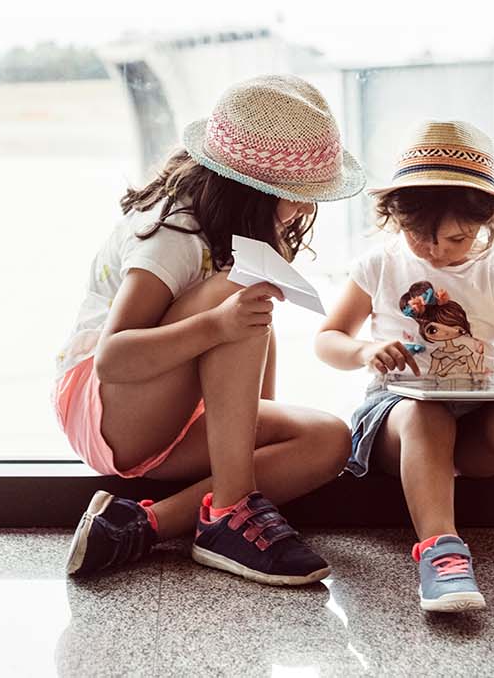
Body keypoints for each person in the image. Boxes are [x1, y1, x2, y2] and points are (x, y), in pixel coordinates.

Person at [56, 75, 365, 585]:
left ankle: (140, 526)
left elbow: (250, 351)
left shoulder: (242, 230)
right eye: (298, 195)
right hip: (107, 410)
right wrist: (217, 324)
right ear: (251, 190)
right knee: (234, 294)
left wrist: (254, 430)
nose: (307, 209)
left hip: (166, 410)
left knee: (330, 440)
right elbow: (114, 358)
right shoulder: (173, 234)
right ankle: (229, 512)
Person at [313, 120, 494, 612]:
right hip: (400, 419)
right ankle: (441, 552)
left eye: (457, 239)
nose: (437, 251)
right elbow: (328, 339)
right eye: (420, 237)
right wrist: (363, 352)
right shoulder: (378, 265)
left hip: (480, 419)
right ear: (396, 218)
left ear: (488, 221)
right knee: (426, 414)